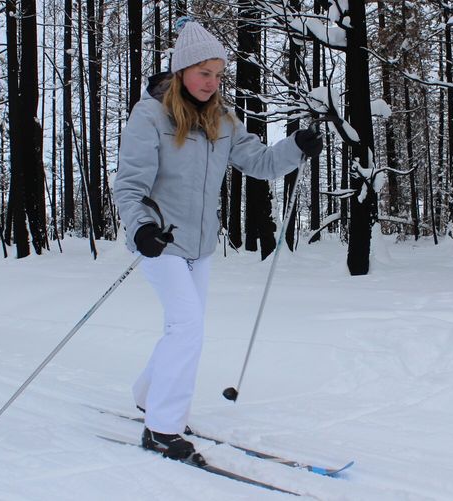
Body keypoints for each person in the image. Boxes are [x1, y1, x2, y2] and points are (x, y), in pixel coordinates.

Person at [113, 19, 323, 461]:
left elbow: (261, 162)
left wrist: (296, 146)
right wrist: (140, 228)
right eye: (203, 72)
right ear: (182, 70)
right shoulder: (150, 115)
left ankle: (149, 394)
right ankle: (161, 429)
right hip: (159, 239)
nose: (211, 83)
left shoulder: (223, 121)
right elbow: (130, 185)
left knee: (183, 328)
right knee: (187, 327)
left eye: (217, 74)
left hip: (201, 244)